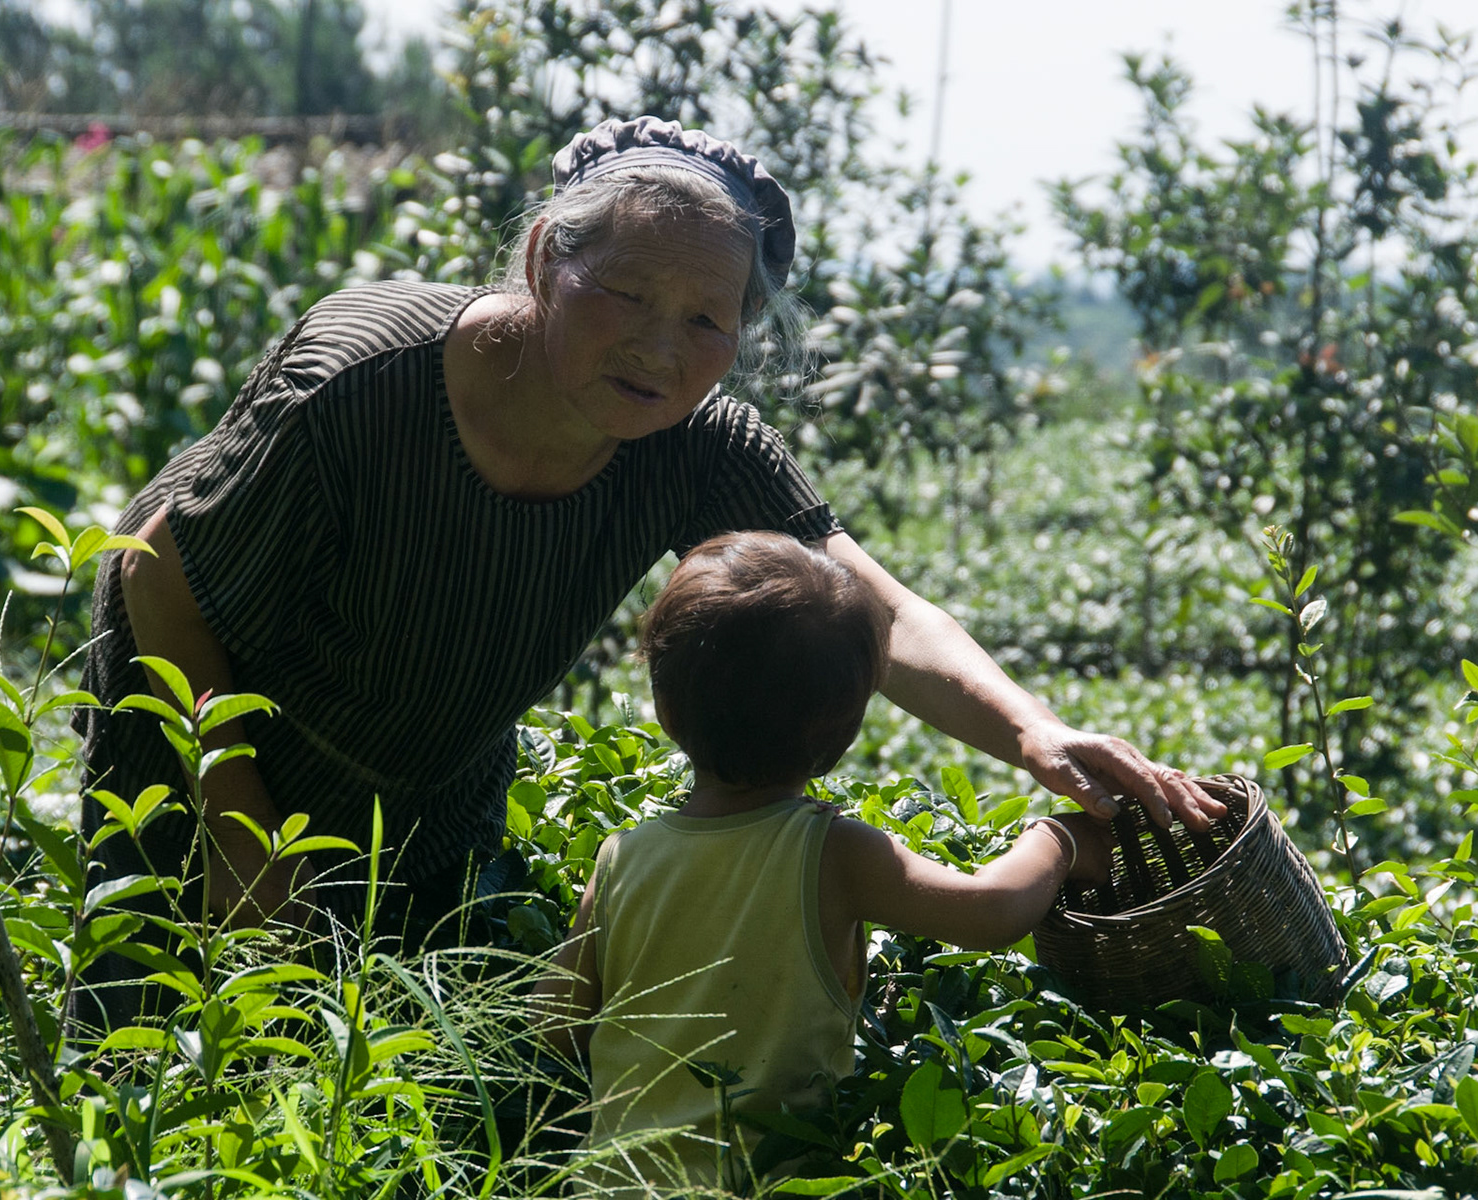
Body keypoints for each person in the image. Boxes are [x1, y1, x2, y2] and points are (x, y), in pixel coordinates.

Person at [74, 116, 1221, 1031]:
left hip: (424, 777)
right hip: (199, 730)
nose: (662, 347)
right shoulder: (364, 383)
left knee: (410, 1068)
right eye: (625, 295)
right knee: (172, 1040)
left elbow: (872, 606)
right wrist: (242, 848)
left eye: (707, 319)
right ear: (543, 261)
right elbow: (161, 579)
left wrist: (1034, 733)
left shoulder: (693, 444)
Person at [532, 531, 1113, 1199]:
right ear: (841, 732)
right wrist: (1060, 840)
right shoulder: (831, 851)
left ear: (665, 709)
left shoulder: (620, 857)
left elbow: (554, 1024)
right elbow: (991, 909)